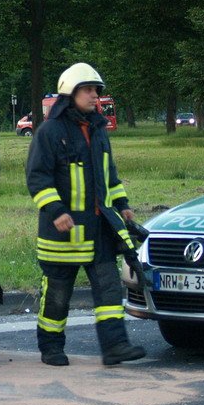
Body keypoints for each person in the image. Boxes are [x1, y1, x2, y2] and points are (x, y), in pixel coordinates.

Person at [25, 62, 146, 367]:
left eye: (97, 90)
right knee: (57, 294)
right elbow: (38, 177)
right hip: (64, 232)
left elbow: (110, 176)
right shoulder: (50, 132)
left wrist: (122, 205)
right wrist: (55, 211)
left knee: (108, 290)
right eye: (89, 90)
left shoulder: (99, 130)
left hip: (100, 228)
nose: (95, 96)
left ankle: (115, 346)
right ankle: (51, 347)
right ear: (71, 93)